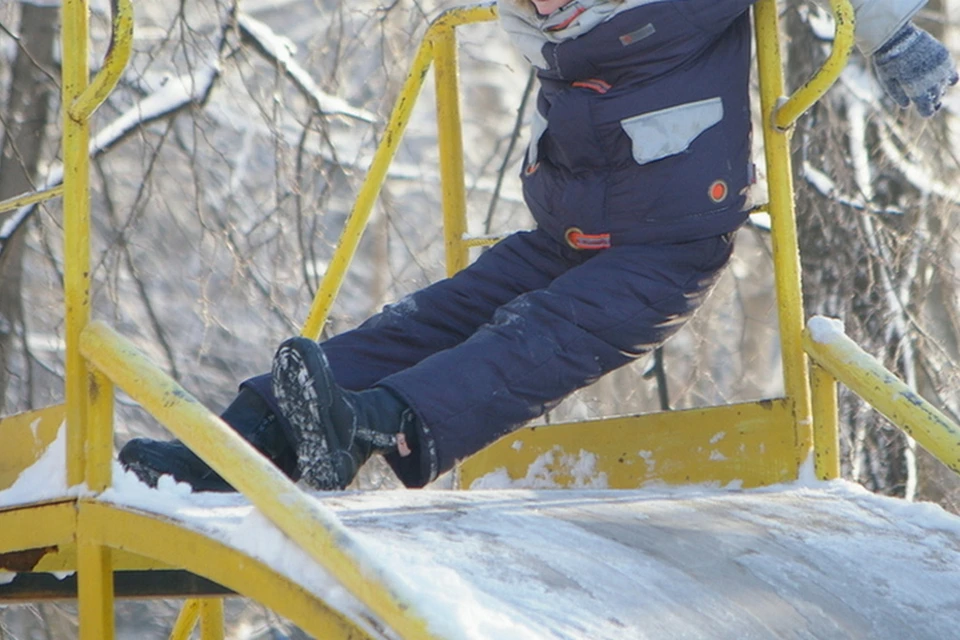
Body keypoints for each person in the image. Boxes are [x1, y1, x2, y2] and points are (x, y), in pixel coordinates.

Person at [120, 0, 957, 492]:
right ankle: (225, 447)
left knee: (527, 341)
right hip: (562, 235)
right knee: (419, 320)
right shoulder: (546, 28)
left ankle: (374, 427)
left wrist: (891, 34)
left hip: (662, 252)